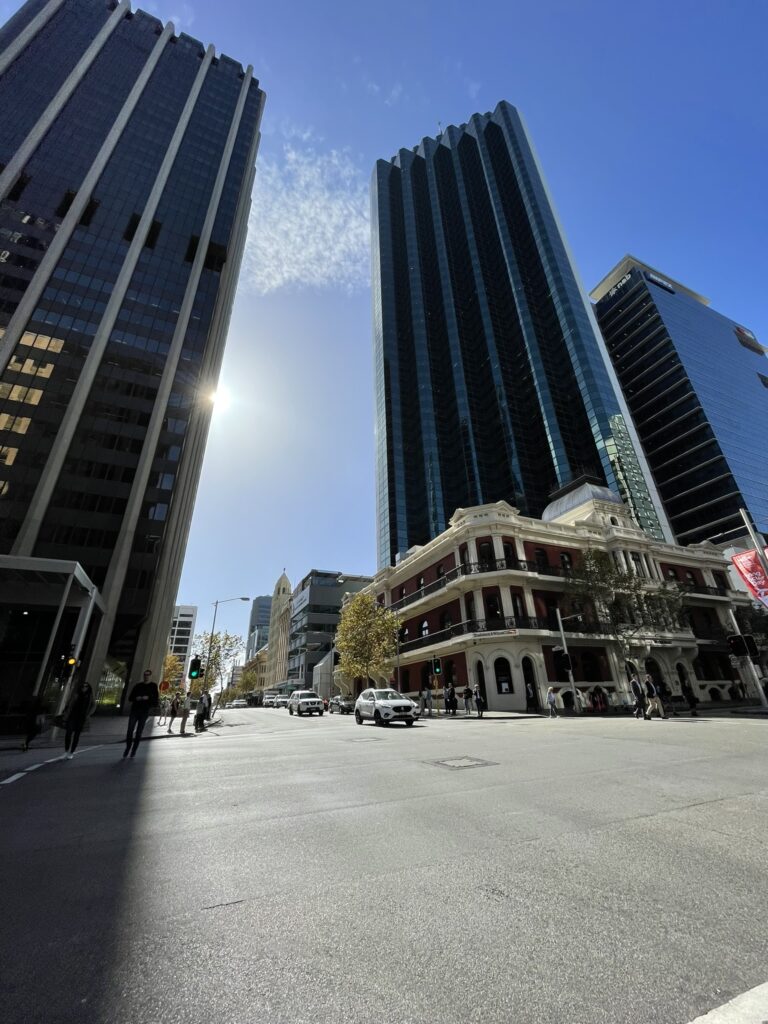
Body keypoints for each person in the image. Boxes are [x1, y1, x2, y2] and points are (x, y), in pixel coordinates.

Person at [123, 669, 158, 758]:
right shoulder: (138, 686)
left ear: (150, 676)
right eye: (145, 675)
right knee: (130, 730)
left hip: (144, 712)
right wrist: (137, 698)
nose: (146, 676)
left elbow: (155, 702)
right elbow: (130, 698)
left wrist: (148, 698)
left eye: (148, 675)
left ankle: (134, 750)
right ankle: (128, 748)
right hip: (135, 710)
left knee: (139, 732)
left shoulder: (153, 686)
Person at [63, 680, 94, 759]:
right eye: (83, 686)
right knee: (68, 733)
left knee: (76, 736)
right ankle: (66, 750)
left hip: (82, 718)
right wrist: (66, 713)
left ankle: (71, 752)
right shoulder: (76, 695)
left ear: (88, 688)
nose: (84, 688)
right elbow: (70, 704)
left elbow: (93, 706)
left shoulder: (90, 696)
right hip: (72, 716)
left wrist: (88, 714)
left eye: (86, 686)